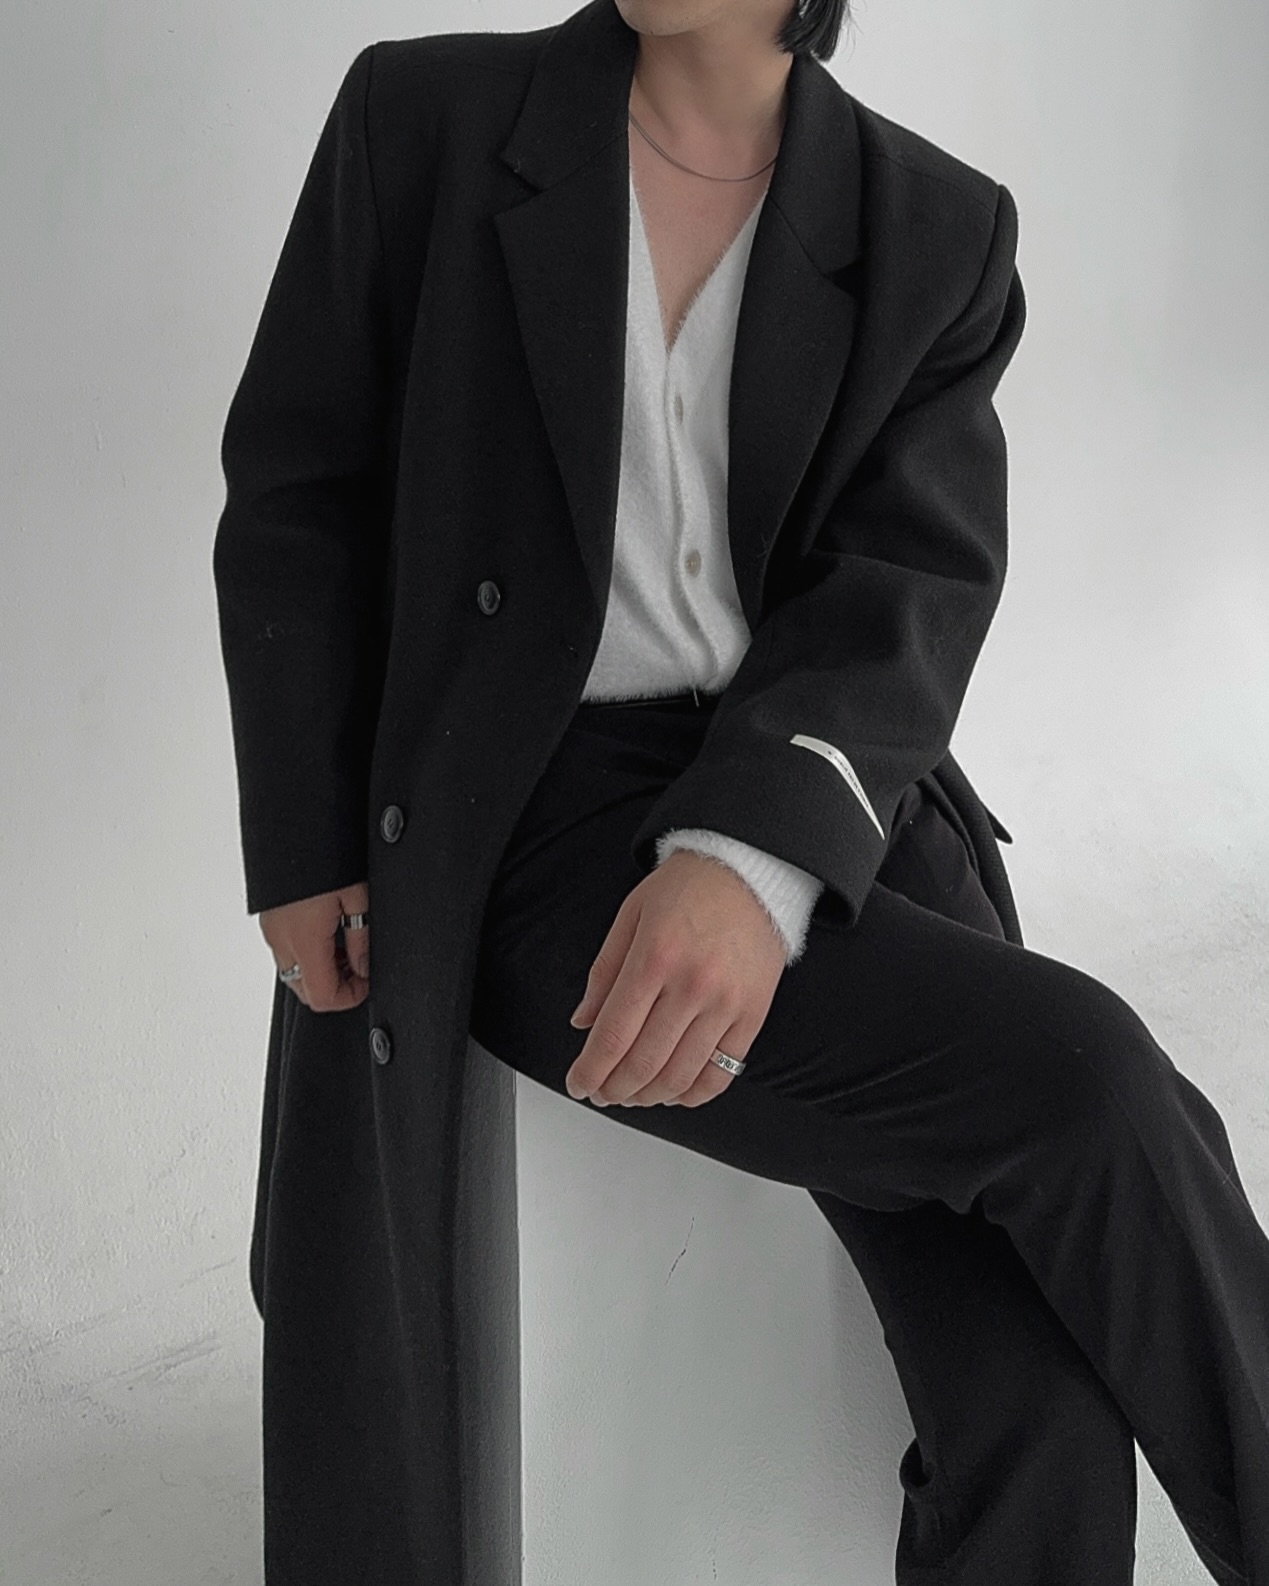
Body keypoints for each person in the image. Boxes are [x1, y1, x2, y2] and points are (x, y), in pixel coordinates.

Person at [217, 2, 1269, 1581]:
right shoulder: (426, 119)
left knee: (1033, 1383)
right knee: (1092, 1080)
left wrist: (752, 857)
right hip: (526, 820)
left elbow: (906, 585)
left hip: (827, 793)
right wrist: (301, 840)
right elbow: (298, 488)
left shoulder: (934, 225)